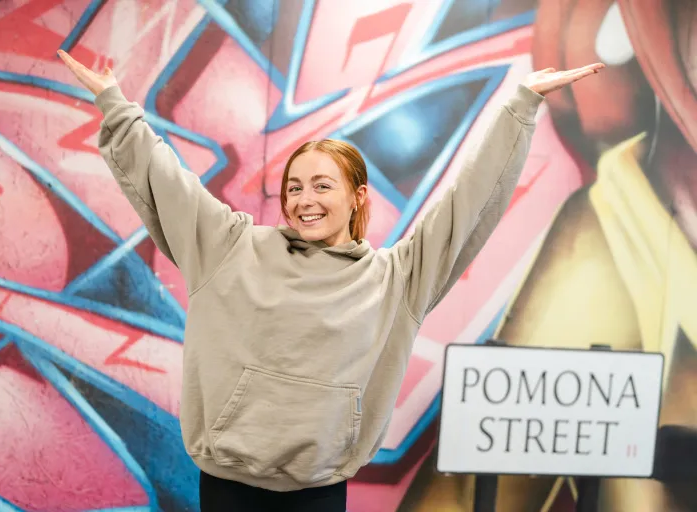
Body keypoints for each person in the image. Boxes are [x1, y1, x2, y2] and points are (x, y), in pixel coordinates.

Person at [57, 49, 603, 512]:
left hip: (319, 492)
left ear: (356, 197)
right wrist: (115, 103)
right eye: (294, 187)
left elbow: (468, 203)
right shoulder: (230, 247)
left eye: (322, 185)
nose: (304, 200)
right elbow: (165, 180)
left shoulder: (397, 280)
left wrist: (521, 104)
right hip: (226, 485)